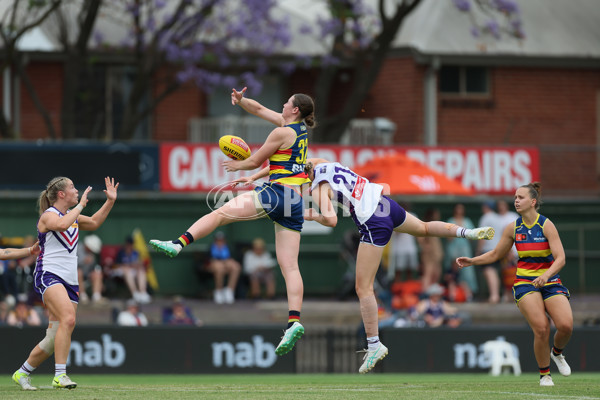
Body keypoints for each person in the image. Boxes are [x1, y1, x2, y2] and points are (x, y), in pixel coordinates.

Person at [150, 87, 315, 356]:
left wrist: (239, 166)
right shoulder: (298, 131)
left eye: (287, 102)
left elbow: (255, 160)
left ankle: (178, 244)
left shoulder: (280, 132)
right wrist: (241, 101)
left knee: (219, 215)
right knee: (290, 268)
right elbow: (260, 110)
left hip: (276, 194)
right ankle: (294, 320)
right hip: (294, 202)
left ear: (295, 109)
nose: (283, 104)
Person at [303, 159, 494, 373]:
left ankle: (374, 344)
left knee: (363, 288)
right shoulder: (324, 163)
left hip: (371, 220)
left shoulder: (317, 188)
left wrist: (313, 215)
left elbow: (331, 220)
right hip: (384, 204)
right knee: (423, 227)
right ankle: (466, 232)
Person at [456, 182, 572, 387]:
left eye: (521, 197)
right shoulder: (513, 227)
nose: (516, 200)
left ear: (533, 202)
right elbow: (495, 254)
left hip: (550, 280)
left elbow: (561, 258)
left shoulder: (546, 225)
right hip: (525, 283)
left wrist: (546, 275)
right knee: (542, 328)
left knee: (565, 325)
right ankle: (545, 375)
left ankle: (557, 353)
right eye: (515, 197)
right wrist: (472, 261)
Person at [12, 176, 118, 391]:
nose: (76, 190)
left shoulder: (73, 216)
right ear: (61, 194)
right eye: (72, 187)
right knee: (68, 318)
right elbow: (61, 225)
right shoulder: (49, 215)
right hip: (49, 275)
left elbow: (96, 222)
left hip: (69, 281)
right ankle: (60, 376)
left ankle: (22, 373)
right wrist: (80, 207)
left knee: (53, 337)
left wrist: (110, 201)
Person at [444, 203, 478, 301]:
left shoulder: (467, 221)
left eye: (461, 209)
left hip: (465, 249)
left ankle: (469, 294)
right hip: (453, 249)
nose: (460, 211)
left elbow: (472, 236)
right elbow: (448, 237)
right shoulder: (450, 221)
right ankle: (453, 295)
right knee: (454, 273)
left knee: (467, 272)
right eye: (458, 209)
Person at [476, 200, 504, 303]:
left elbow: (482, 236)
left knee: (489, 271)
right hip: (498, 248)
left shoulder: (486, 218)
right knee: (494, 272)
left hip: (487, 249)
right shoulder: (498, 218)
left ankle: (494, 295)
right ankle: (495, 294)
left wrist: (478, 251)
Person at [113, 236, 151, 304]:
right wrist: (128, 265)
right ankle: (135, 293)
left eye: (131, 244)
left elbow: (139, 263)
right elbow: (116, 265)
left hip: (133, 270)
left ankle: (143, 293)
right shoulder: (121, 253)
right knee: (127, 270)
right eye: (128, 244)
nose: (129, 246)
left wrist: (137, 265)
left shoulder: (135, 252)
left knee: (141, 270)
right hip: (122, 271)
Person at [208, 231, 241, 304]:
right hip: (215, 265)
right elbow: (209, 260)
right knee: (220, 269)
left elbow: (231, 258)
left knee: (236, 267)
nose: (220, 241)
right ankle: (219, 291)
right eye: (218, 240)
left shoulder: (229, 247)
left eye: (222, 240)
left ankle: (229, 290)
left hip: (227, 263)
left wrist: (227, 262)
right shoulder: (211, 247)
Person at [417, 208, 444, 290]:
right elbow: (420, 239)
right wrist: (426, 247)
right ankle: (425, 294)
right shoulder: (425, 225)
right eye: (436, 214)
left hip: (436, 256)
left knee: (437, 274)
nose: (438, 216)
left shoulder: (436, 225)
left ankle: (432, 293)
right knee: (428, 274)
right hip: (429, 256)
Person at [77, 234, 107, 305]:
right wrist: (83, 261)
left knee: (97, 273)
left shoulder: (92, 254)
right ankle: (83, 296)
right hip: (75, 275)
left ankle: (96, 297)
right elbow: (72, 264)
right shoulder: (77, 248)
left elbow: (94, 268)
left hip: (87, 275)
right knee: (78, 272)